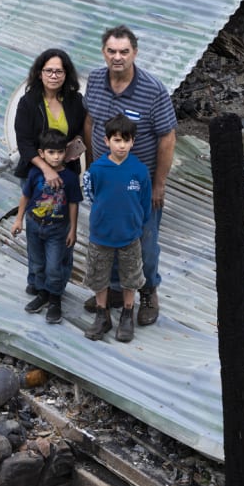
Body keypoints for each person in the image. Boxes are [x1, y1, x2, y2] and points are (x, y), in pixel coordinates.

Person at [82, 25, 176, 326]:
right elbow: (90, 121)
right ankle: (112, 291)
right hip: (106, 181)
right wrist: (90, 163)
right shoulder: (96, 80)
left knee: (144, 242)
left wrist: (159, 184)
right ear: (103, 53)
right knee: (107, 238)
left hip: (140, 184)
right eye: (112, 51)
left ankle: (148, 291)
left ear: (135, 53)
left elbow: (167, 138)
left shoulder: (153, 90)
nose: (117, 57)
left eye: (124, 51)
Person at [12, 47, 87, 295]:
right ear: (40, 73)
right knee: (38, 224)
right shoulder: (29, 102)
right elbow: (23, 142)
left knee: (60, 227)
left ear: (66, 74)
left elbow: (81, 131)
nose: (54, 75)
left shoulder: (75, 101)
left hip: (66, 171)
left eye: (59, 71)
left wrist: (74, 151)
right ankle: (37, 278)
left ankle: (56, 284)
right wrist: (45, 168)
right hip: (36, 168)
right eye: (49, 70)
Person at [81, 114, 152, 343]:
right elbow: (91, 196)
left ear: (133, 142)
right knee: (98, 276)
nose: (121, 145)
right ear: (106, 141)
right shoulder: (96, 169)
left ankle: (127, 314)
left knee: (130, 278)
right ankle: (102, 315)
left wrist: (136, 224)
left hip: (130, 236)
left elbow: (144, 201)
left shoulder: (139, 171)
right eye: (117, 140)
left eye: (126, 140)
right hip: (101, 235)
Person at [10, 129, 81, 324]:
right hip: (34, 225)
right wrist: (18, 220)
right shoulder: (35, 173)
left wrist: (73, 229)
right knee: (37, 262)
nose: (56, 156)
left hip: (58, 230)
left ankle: (55, 300)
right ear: (42, 153)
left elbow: (74, 203)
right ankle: (42, 294)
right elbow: (25, 196)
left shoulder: (70, 178)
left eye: (59, 152)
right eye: (51, 152)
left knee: (54, 266)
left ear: (65, 153)